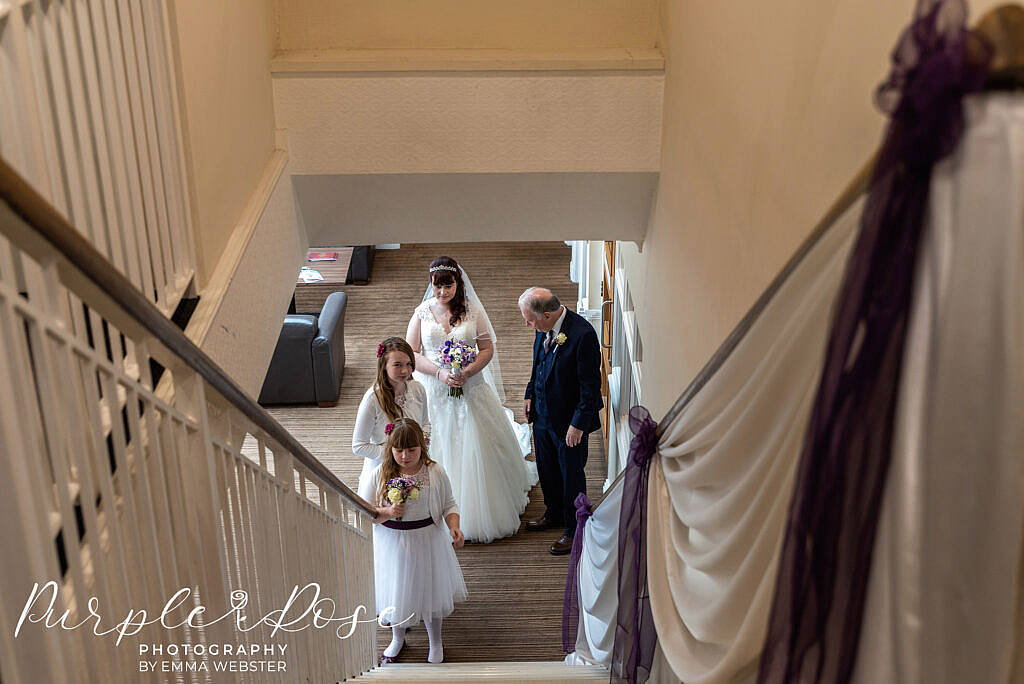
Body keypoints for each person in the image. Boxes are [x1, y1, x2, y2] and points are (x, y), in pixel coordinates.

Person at [406, 256, 538, 543]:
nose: (443, 292)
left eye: (448, 286)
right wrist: (440, 374)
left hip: (471, 387)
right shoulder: (421, 313)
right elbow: (412, 354)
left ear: (458, 283)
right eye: (438, 287)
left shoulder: (472, 309)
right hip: (436, 390)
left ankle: (478, 508)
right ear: (431, 285)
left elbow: (487, 348)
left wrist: (466, 371)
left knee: (477, 443)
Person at [367, 418, 467, 664]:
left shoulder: (435, 472)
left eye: (411, 449)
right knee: (396, 592)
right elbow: (365, 511)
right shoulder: (380, 474)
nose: (405, 455)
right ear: (390, 449)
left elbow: (449, 504)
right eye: (399, 450)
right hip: (393, 543)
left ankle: (435, 641)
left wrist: (454, 526)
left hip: (427, 540)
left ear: (422, 446)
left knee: (430, 590)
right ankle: (397, 637)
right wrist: (388, 512)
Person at [519, 287, 603, 555]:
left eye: (529, 319)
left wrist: (578, 425)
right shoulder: (542, 327)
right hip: (542, 414)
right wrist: (530, 393)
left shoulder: (583, 335)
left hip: (570, 422)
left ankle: (574, 527)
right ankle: (553, 513)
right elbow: (537, 364)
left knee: (571, 475)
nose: (527, 324)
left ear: (546, 314)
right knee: (547, 468)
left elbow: (590, 387)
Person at [353, 337, 429, 502]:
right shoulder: (373, 399)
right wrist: (392, 453)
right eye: (398, 365)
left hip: (414, 464)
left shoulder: (418, 389)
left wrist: (422, 443)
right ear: (384, 366)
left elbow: (425, 423)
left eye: (409, 364)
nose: (405, 371)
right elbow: (358, 446)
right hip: (383, 468)